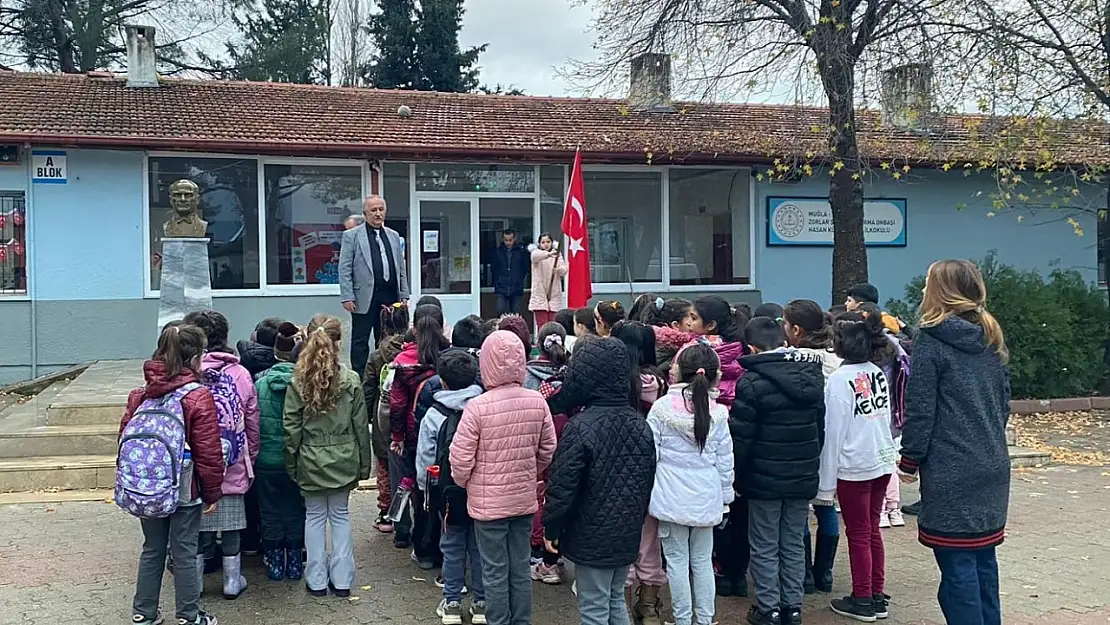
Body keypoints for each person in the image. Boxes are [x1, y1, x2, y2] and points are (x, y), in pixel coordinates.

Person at [897, 260, 1010, 625]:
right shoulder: (991, 335)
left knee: (957, 567)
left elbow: (920, 408)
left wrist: (909, 460)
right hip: (992, 461)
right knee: (983, 562)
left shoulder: (931, 339)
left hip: (951, 467)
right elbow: (1003, 403)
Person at [544, 338, 657, 625]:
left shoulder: (580, 427)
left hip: (589, 533)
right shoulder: (640, 425)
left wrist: (552, 526)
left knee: (594, 607)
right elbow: (646, 481)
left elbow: (563, 485)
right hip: (627, 530)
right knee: (614, 599)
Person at [450, 330, 557, 625]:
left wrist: (467, 482)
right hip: (523, 500)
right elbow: (548, 448)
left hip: (488, 506)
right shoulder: (537, 402)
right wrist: (530, 472)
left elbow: (459, 458)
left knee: (494, 570)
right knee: (520, 568)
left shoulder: (477, 407)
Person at [123, 322, 224, 625]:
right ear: (196, 357)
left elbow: (123, 437)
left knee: (152, 548)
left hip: (147, 484)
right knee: (184, 550)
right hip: (184, 487)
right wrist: (212, 492)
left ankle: (143, 613)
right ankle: (189, 616)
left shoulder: (140, 394)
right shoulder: (197, 395)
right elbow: (208, 450)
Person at [731, 317, 825, 625]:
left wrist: (736, 477)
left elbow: (741, 438)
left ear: (752, 347)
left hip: (763, 478)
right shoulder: (812, 376)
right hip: (802, 474)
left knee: (764, 543)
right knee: (794, 542)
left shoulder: (751, 382)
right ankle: (792, 606)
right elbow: (819, 430)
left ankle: (768, 607)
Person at [284, 315, 371, 598]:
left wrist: (292, 463)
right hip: (344, 456)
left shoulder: (298, 380)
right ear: (339, 342)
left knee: (315, 517)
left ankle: (317, 579)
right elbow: (360, 425)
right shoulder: (351, 379)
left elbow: (291, 428)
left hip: (309, 458)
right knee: (341, 516)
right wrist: (363, 465)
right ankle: (343, 579)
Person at [648, 342, 734, 625]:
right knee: (702, 561)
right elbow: (725, 460)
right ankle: (705, 619)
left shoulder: (660, 409)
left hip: (669, 496)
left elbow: (651, 455)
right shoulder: (719, 414)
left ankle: (682, 619)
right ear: (715, 375)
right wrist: (725, 498)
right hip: (706, 495)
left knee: (676, 562)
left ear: (676, 372)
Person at [820, 313, 897, 622]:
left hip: (854, 465)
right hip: (880, 459)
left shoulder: (839, 380)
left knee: (859, 534)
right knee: (872, 529)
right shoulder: (877, 372)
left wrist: (825, 485)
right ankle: (876, 594)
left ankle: (862, 598)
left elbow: (834, 432)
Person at [183, 310, 259, 601]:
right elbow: (251, 420)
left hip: (195, 466)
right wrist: (249, 456)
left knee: (198, 527)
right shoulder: (239, 373)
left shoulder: (188, 373)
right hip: (233, 463)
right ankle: (231, 581)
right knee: (231, 527)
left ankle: (197, 582)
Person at [415, 351, 487, 625]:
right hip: (481, 489)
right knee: (480, 547)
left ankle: (453, 603)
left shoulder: (435, 413)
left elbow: (425, 457)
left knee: (452, 546)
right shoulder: (483, 406)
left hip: (447, 494)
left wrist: (425, 491)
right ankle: (481, 604)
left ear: (442, 381)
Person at [782, 299, 844, 592]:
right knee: (826, 505)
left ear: (795, 329)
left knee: (800, 510)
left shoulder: (792, 359)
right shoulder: (837, 360)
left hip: (802, 439)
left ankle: (804, 573)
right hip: (833, 440)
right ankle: (825, 574)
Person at [390, 304, 451, 554]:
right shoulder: (449, 355)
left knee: (417, 485)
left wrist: (397, 436)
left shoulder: (402, 362)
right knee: (444, 488)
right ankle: (443, 543)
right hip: (449, 431)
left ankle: (420, 541)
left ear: (413, 327)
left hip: (414, 433)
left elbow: (397, 403)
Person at [254, 322, 306, 582]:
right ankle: (295, 561)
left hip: (265, 460)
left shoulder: (259, 384)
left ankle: (275, 562)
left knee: (270, 511)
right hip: (295, 459)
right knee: (296, 508)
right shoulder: (304, 386)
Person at [339, 195, 410, 380]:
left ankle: (385, 376)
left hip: (390, 297)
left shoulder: (394, 236)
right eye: (373, 210)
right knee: (360, 340)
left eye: (381, 209)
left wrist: (404, 294)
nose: (378, 213)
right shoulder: (352, 236)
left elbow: (400, 267)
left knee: (388, 339)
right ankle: (359, 378)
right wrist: (347, 296)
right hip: (364, 297)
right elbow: (345, 267)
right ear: (365, 214)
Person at [524, 322, 571, 584]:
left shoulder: (527, 374)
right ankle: (555, 555)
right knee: (559, 495)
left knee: (536, 493)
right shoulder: (570, 374)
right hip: (565, 444)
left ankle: (535, 552)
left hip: (534, 443)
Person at [857, 302, 911, 529]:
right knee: (888, 462)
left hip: (869, 416)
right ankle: (894, 508)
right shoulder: (895, 347)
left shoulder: (863, 351)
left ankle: (878, 511)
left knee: (873, 466)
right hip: (891, 415)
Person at [364, 302, 410, 534]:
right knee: (405, 469)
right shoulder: (413, 349)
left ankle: (387, 513)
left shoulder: (376, 356)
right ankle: (407, 515)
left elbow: (368, 389)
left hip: (383, 418)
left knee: (384, 467)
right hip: (406, 416)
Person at [671, 295, 746, 409]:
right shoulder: (740, 348)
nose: (689, 322)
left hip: (692, 410)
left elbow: (674, 382)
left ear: (711, 325)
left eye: (694, 318)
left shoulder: (690, 350)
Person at [642, 297, 694, 375]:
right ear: (676, 325)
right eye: (693, 319)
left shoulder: (648, 342)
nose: (694, 325)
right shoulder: (680, 354)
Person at [845, 283, 914, 340]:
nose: (846, 303)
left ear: (860, 304)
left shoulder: (861, 325)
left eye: (849, 300)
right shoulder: (890, 320)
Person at [528, 233, 567, 328]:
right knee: (542, 324)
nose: (546, 244)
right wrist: (548, 254)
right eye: (543, 242)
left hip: (553, 291)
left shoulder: (557, 255)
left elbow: (564, 269)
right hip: (540, 293)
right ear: (539, 244)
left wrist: (558, 270)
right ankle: (542, 341)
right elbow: (535, 257)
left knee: (553, 323)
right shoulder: (536, 253)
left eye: (548, 242)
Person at [492, 228, 530, 316]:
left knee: (516, 313)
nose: (508, 243)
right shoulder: (498, 251)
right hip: (501, 286)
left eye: (510, 240)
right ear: (502, 239)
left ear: (514, 239)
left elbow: (525, 267)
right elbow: (494, 268)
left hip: (516, 286)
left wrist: (519, 279)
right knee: (500, 310)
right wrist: (497, 281)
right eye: (506, 240)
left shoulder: (521, 252)